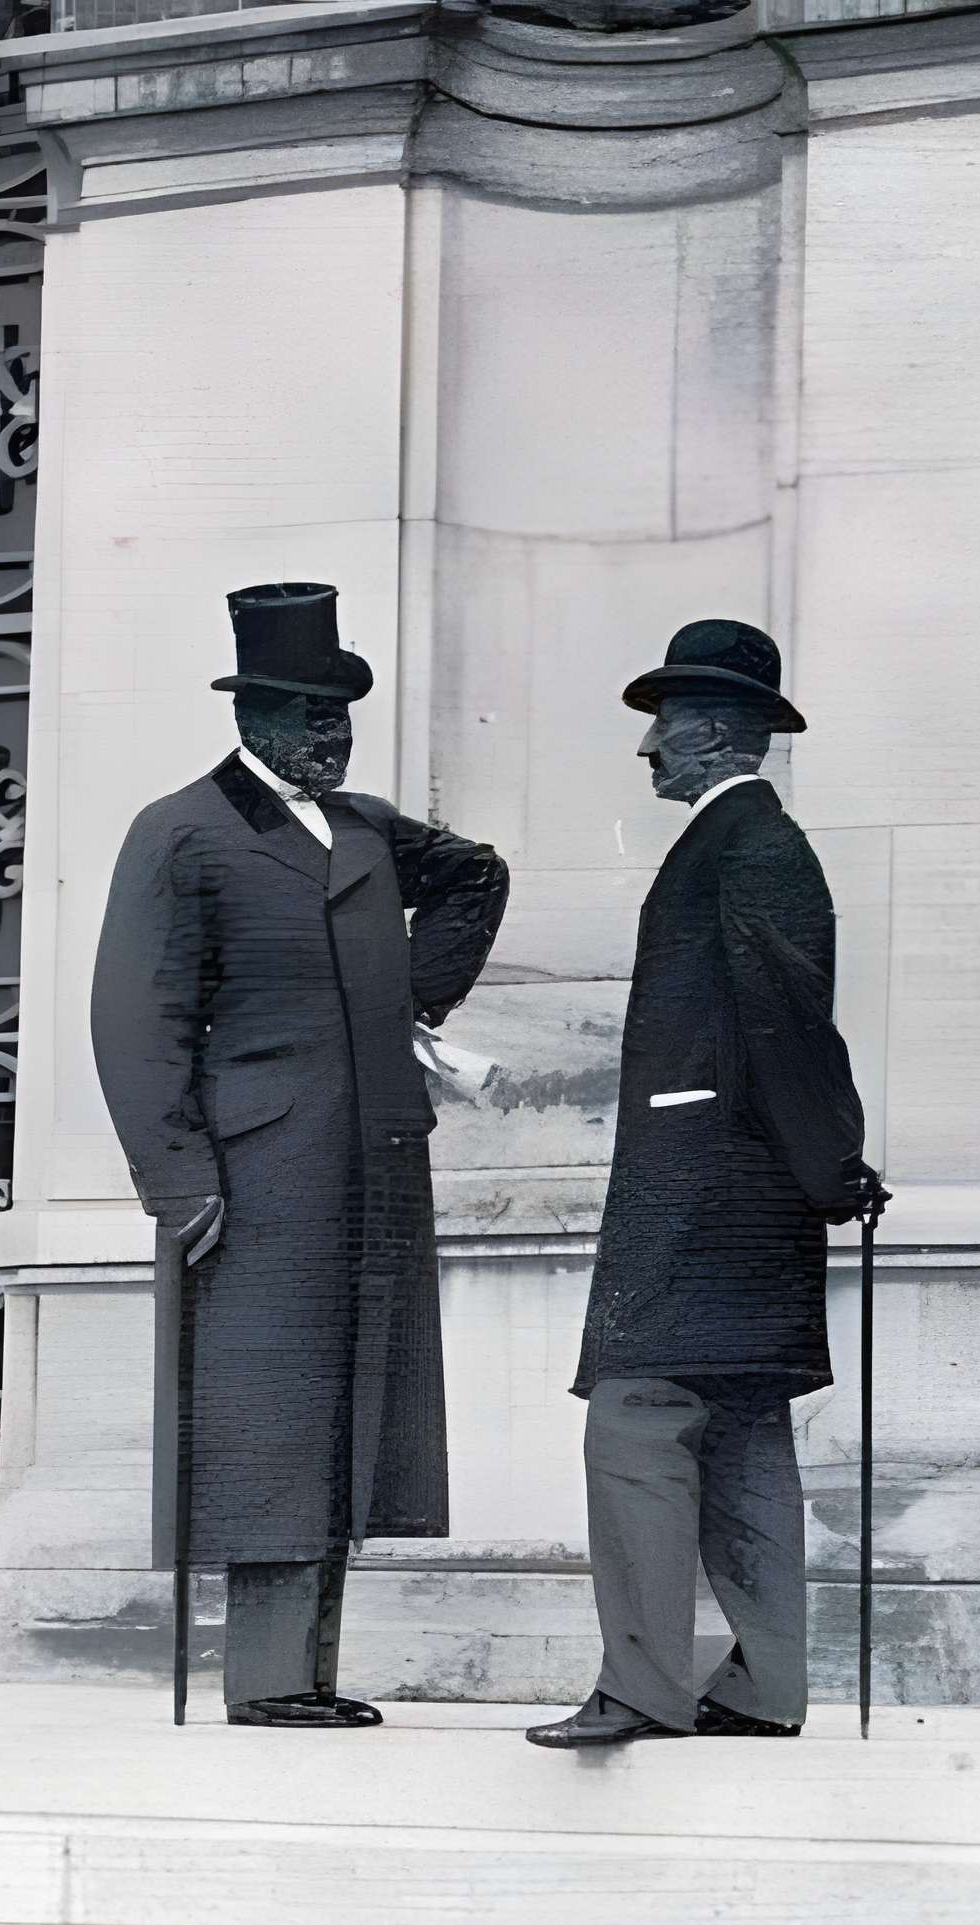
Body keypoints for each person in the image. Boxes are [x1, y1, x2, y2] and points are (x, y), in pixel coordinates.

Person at [91, 583, 508, 1727]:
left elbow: (477, 875)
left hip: (372, 1152)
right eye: (311, 719)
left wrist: (403, 1000)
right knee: (266, 1417)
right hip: (257, 1174)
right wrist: (176, 1181)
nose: (331, 739)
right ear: (255, 716)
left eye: (343, 719)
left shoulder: (364, 826)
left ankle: (311, 1673)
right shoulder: (181, 831)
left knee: (349, 1409)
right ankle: (270, 1679)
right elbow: (136, 1020)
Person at [530, 619, 883, 1752]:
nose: (646, 751)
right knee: (740, 1438)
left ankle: (640, 1688)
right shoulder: (742, 844)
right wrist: (825, 1171)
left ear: (719, 732)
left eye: (665, 726)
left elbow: (789, 1029)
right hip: (742, 1205)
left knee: (634, 1424)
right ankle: (763, 1685)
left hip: (705, 1207)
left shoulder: (750, 847)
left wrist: (833, 1166)